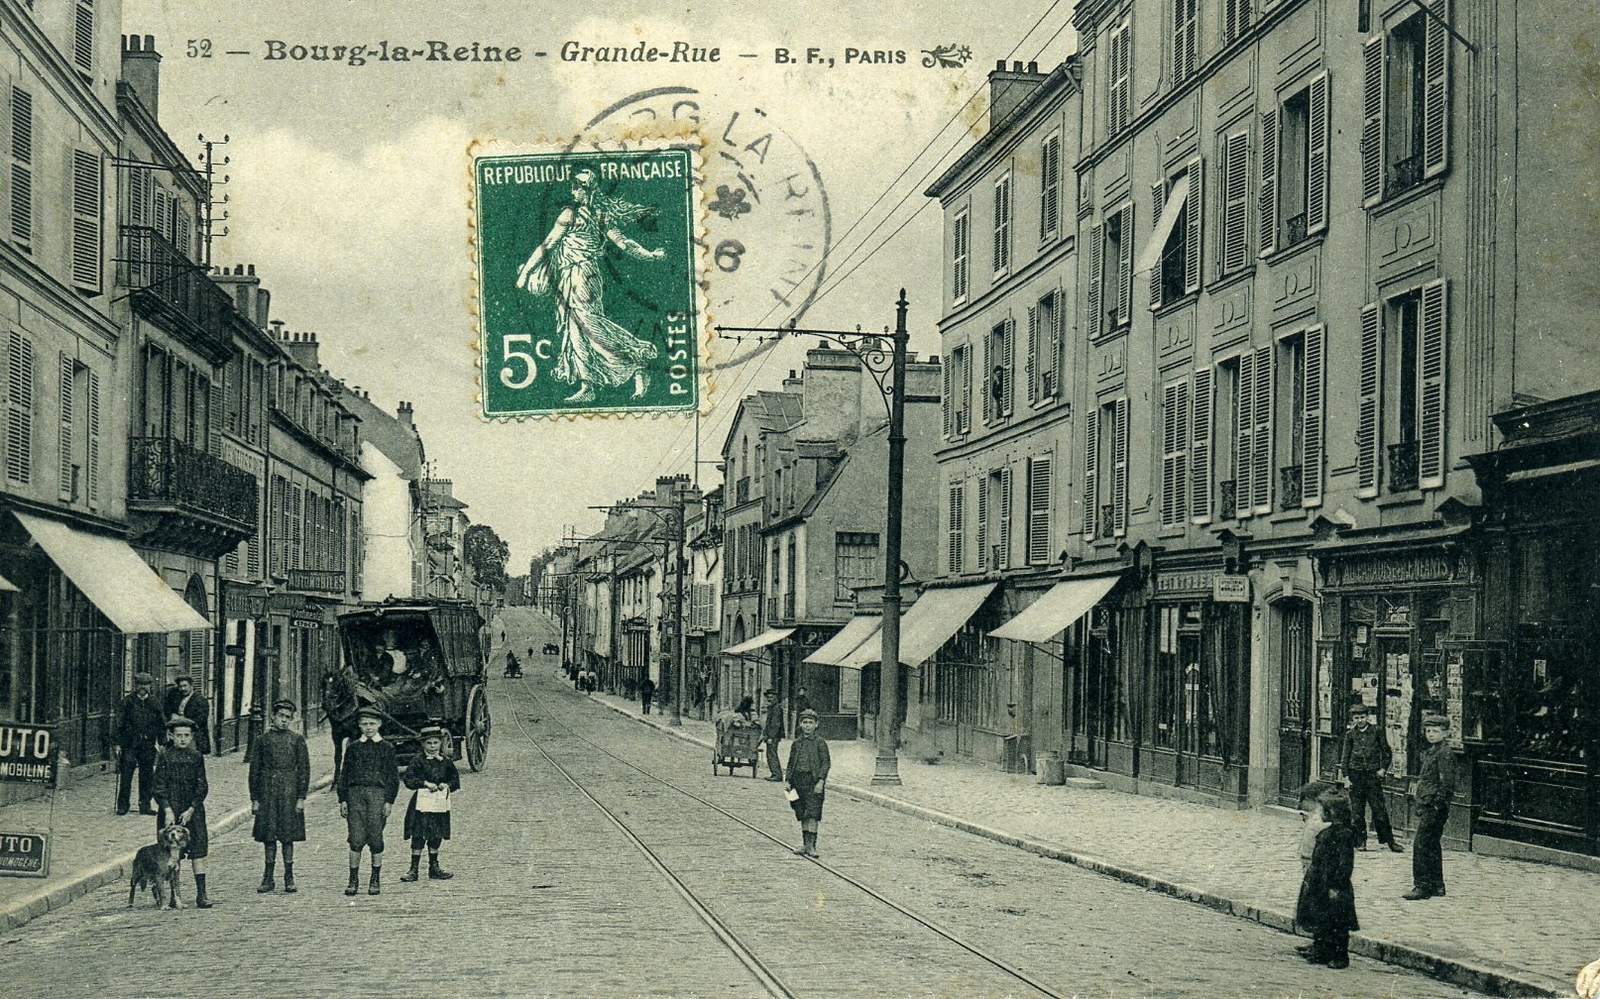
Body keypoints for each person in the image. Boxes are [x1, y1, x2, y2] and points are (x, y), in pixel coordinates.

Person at [514, 165, 666, 403]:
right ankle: (588, 385)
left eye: (579, 186)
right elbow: (623, 243)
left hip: (582, 277)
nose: (573, 190)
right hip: (572, 277)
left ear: (590, 190)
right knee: (576, 332)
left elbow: (549, 244)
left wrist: (525, 274)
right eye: (573, 186)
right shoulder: (594, 215)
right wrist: (651, 255)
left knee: (589, 326)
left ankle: (637, 357)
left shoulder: (573, 215)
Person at [151, 715, 214, 909]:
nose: (183, 739)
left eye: (187, 735)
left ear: (192, 736)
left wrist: (192, 808)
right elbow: (158, 786)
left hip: (192, 810)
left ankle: (201, 894)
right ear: (171, 736)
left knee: (198, 851)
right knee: (171, 853)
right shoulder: (165, 757)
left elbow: (202, 786)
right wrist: (167, 809)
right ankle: (173, 894)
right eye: (179, 735)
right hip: (171, 808)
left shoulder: (196, 757)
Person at [337, 705, 400, 897]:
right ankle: (353, 880)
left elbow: (393, 778)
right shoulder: (353, 748)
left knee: (375, 836)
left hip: (377, 795)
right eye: (364, 724)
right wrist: (343, 799)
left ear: (379, 724)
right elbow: (344, 774)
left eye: (372, 723)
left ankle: (375, 879)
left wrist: (389, 801)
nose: (368, 727)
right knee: (356, 838)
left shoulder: (387, 748)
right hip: (355, 795)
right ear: (359, 725)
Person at [249, 698, 310, 894]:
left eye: (288, 717)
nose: (284, 720)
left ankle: (289, 876)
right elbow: (254, 770)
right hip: (267, 791)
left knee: (287, 835)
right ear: (273, 717)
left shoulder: (297, 740)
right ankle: (268, 877)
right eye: (281, 716)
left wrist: (301, 797)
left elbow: (304, 770)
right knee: (269, 836)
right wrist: (255, 798)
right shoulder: (262, 740)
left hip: (289, 791)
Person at [1294, 791, 1359, 969]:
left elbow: (1345, 864)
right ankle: (1321, 949)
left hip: (1334, 885)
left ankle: (1340, 956)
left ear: (1332, 812)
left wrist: (1337, 885)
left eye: (1321, 810)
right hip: (1321, 882)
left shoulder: (1343, 835)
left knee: (1338, 922)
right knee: (1321, 917)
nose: (1319, 813)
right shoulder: (1328, 832)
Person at [1404, 713, 1458, 900]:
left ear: (1445, 733)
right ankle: (1437, 885)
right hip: (1429, 803)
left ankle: (1422, 886)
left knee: (1421, 845)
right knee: (1432, 845)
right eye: (1428, 731)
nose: (1431, 734)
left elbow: (1447, 783)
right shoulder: (1433, 751)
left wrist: (1436, 804)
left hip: (1433, 806)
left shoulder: (1444, 753)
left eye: (1435, 731)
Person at [399, 725, 462, 883]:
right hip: (421, 803)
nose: (433, 746)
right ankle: (413, 869)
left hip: (439, 803)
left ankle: (434, 867)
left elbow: (455, 780)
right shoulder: (418, 761)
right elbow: (408, 779)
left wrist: (447, 785)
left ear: (440, 743)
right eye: (429, 743)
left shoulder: (446, 762)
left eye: (435, 743)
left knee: (436, 834)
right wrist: (425, 783)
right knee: (418, 834)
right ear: (423, 744)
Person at [1338, 703, 1402, 853]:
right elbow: (1345, 757)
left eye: (1362, 717)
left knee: (1379, 811)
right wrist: (1346, 776)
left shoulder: (1377, 731)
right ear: (1353, 719)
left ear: (1367, 717)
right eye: (1356, 718)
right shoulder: (1350, 735)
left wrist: (1383, 769)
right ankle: (1360, 841)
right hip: (1355, 776)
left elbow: (1387, 752)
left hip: (1372, 777)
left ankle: (1390, 841)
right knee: (1357, 812)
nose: (1360, 720)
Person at [114, 672, 165, 815]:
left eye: (146, 684)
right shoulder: (127, 702)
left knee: (147, 777)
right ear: (135, 686)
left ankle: (145, 805)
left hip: (148, 745)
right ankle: (123, 805)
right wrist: (117, 743)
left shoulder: (155, 702)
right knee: (126, 776)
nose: (143, 687)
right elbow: (118, 724)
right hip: (129, 745)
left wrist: (162, 742)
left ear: (150, 686)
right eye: (140, 684)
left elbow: (161, 724)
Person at [785, 708, 831, 858]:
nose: (807, 726)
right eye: (805, 722)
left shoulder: (820, 743)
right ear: (800, 724)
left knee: (813, 813)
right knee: (801, 811)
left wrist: (821, 781)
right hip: (797, 782)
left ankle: (812, 846)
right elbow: (791, 762)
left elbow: (826, 763)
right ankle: (805, 844)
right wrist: (788, 780)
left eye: (810, 723)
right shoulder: (796, 743)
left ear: (816, 724)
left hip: (813, 782)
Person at [163, 675, 211, 755]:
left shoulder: (200, 700)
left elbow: (200, 720)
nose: (183, 689)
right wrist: (171, 715)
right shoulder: (176, 697)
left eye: (185, 686)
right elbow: (167, 709)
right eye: (180, 686)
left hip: (194, 737)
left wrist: (180, 719)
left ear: (191, 686)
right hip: (177, 735)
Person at [761, 690, 785, 783]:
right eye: (768, 697)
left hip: (773, 736)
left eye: (771, 697)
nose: (769, 699)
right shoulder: (773, 707)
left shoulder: (776, 708)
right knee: (770, 754)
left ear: (775, 697)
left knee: (772, 754)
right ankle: (775, 774)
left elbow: (775, 724)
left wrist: (771, 736)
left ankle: (777, 775)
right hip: (771, 735)